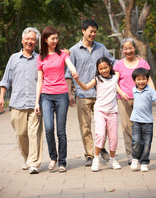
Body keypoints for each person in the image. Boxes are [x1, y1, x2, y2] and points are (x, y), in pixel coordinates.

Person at [65, 20, 116, 166]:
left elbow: (113, 63)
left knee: (104, 126)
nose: (93, 34)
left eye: (95, 32)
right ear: (83, 31)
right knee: (85, 127)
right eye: (90, 31)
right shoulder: (74, 50)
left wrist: (130, 62)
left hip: (101, 95)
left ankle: (100, 148)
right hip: (82, 95)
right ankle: (90, 154)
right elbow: (68, 73)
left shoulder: (101, 48)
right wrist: (70, 94)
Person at [35, 26, 78, 173]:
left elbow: (70, 65)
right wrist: (37, 102)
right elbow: (39, 81)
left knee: (61, 131)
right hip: (46, 96)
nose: (55, 41)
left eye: (56, 38)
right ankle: (53, 157)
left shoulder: (62, 54)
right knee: (48, 128)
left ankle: (62, 161)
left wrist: (74, 71)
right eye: (52, 38)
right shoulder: (41, 57)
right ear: (45, 40)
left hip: (61, 96)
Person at [0, 27, 43, 174]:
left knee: (34, 134)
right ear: (22, 40)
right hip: (17, 103)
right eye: (28, 38)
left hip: (35, 103)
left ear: (36, 42)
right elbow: (5, 80)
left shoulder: (40, 59)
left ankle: (33, 163)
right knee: (20, 134)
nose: (30, 41)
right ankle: (26, 158)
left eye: (33, 39)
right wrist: (1, 97)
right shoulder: (13, 59)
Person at [74, 57, 123, 171]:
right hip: (100, 111)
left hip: (112, 112)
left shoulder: (115, 78)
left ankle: (112, 160)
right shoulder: (97, 79)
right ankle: (96, 159)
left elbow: (122, 66)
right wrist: (77, 80)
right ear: (98, 69)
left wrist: (137, 58)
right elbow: (85, 87)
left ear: (110, 67)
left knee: (114, 138)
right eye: (101, 69)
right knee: (100, 135)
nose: (104, 70)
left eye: (106, 67)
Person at [113, 38, 155, 165]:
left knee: (142, 128)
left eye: (130, 48)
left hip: (141, 100)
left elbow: (149, 80)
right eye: (125, 48)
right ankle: (131, 156)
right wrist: (121, 93)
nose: (128, 50)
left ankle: (141, 154)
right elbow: (114, 82)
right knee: (127, 128)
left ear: (134, 48)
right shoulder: (118, 64)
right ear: (122, 50)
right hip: (124, 99)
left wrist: (154, 96)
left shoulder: (143, 63)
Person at [130, 68, 156, 172]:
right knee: (136, 140)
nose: (141, 81)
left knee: (147, 143)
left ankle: (144, 162)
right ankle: (134, 158)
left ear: (147, 80)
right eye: (139, 79)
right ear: (134, 80)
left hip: (148, 122)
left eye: (144, 79)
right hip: (136, 121)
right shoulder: (133, 90)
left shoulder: (150, 90)